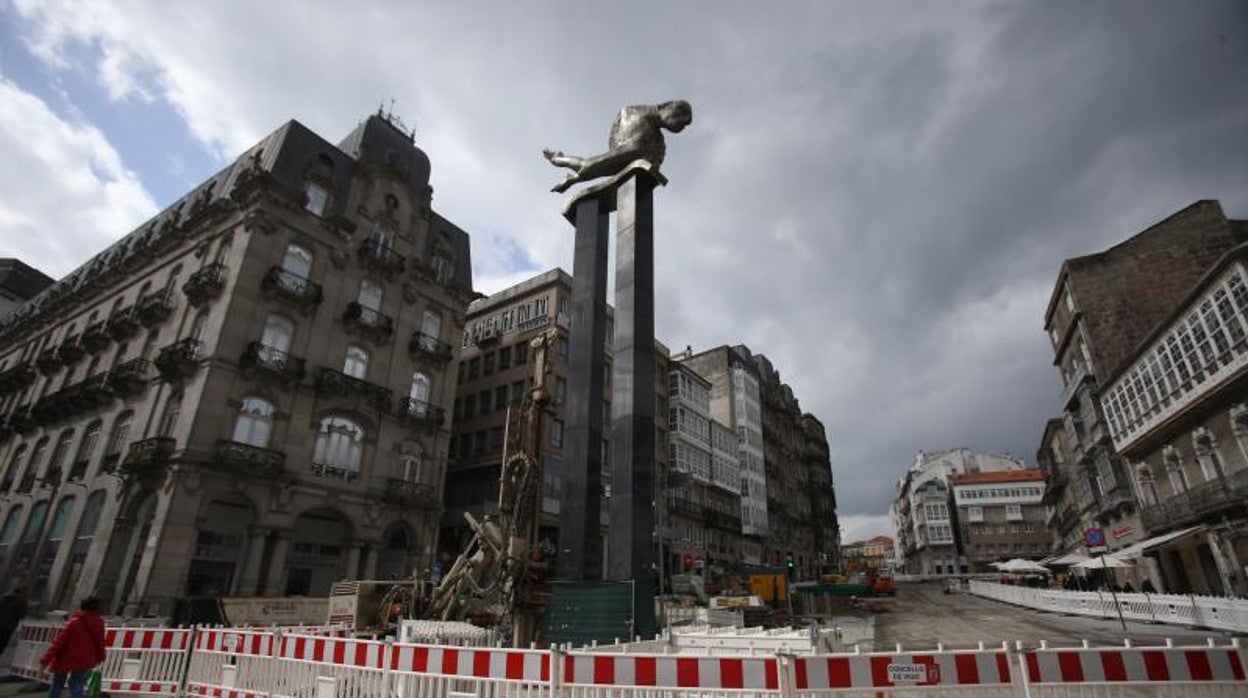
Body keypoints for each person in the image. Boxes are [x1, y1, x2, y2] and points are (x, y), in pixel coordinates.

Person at [543, 100, 693, 192]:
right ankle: (558, 159)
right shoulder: (636, 114)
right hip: (625, 151)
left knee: (590, 168)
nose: (681, 125)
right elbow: (622, 137)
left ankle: (568, 173)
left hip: (630, 162)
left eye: (684, 124)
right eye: (680, 116)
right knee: (587, 165)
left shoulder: (658, 138)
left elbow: (654, 165)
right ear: (667, 107)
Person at [40, 597, 106, 698]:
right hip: (85, 659)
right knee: (77, 683)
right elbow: (100, 642)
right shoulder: (99, 623)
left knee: (58, 683)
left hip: (65, 658)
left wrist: (45, 661)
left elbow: (58, 643)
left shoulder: (74, 622)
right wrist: (101, 657)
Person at [0, 586, 28, 654]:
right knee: (3, 641)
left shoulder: (2, 597)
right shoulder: (21, 601)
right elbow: (22, 614)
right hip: (9, 625)